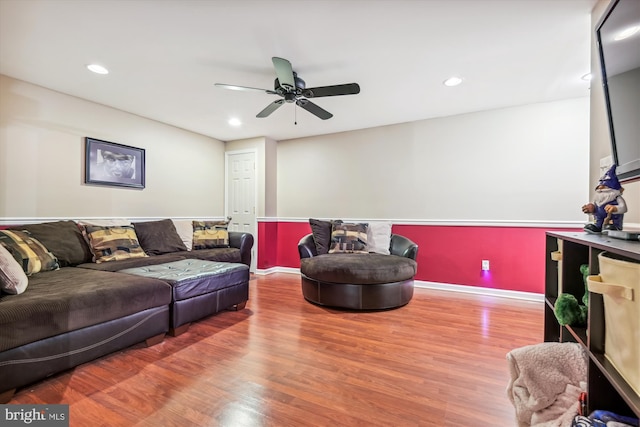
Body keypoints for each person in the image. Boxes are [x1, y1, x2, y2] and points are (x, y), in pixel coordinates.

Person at [581, 164, 627, 234]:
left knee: (612, 222)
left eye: (604, 186)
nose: (600, 188)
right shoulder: (597, 198)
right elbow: (595, 208)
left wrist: (615, 208)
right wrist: (591, 209)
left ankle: (614, 226)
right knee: (598, 219)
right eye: (600, 186)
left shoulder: (616, 197)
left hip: (613, 219)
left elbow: (623, 208)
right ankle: (598, 227)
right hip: (599, 218)